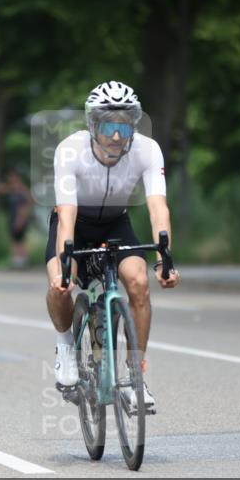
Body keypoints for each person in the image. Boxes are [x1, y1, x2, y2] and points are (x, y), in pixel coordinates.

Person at [46, 80, 180, 414]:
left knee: (138, 282)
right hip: (73, 223)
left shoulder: (147, 150)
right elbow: (66, 215)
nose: (116, 136)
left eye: (124, 126)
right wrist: (65, 264)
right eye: (108, 126)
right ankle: (65, 349)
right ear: (93, 125)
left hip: (115, 224)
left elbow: (158, 208)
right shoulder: (69, 150)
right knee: (61, 286)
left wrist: (165, 258)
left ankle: (136, 378)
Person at [0, 168, 34, 269]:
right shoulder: (12, 189)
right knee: (15, 240)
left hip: (20, 219)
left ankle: (21, 261)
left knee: (19, 240)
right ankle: (17, 260)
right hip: (13, 218)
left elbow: (30, 201)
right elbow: (0, 190)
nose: (11, 179)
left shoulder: (22, 190)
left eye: (13, 177)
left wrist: (22, 219)